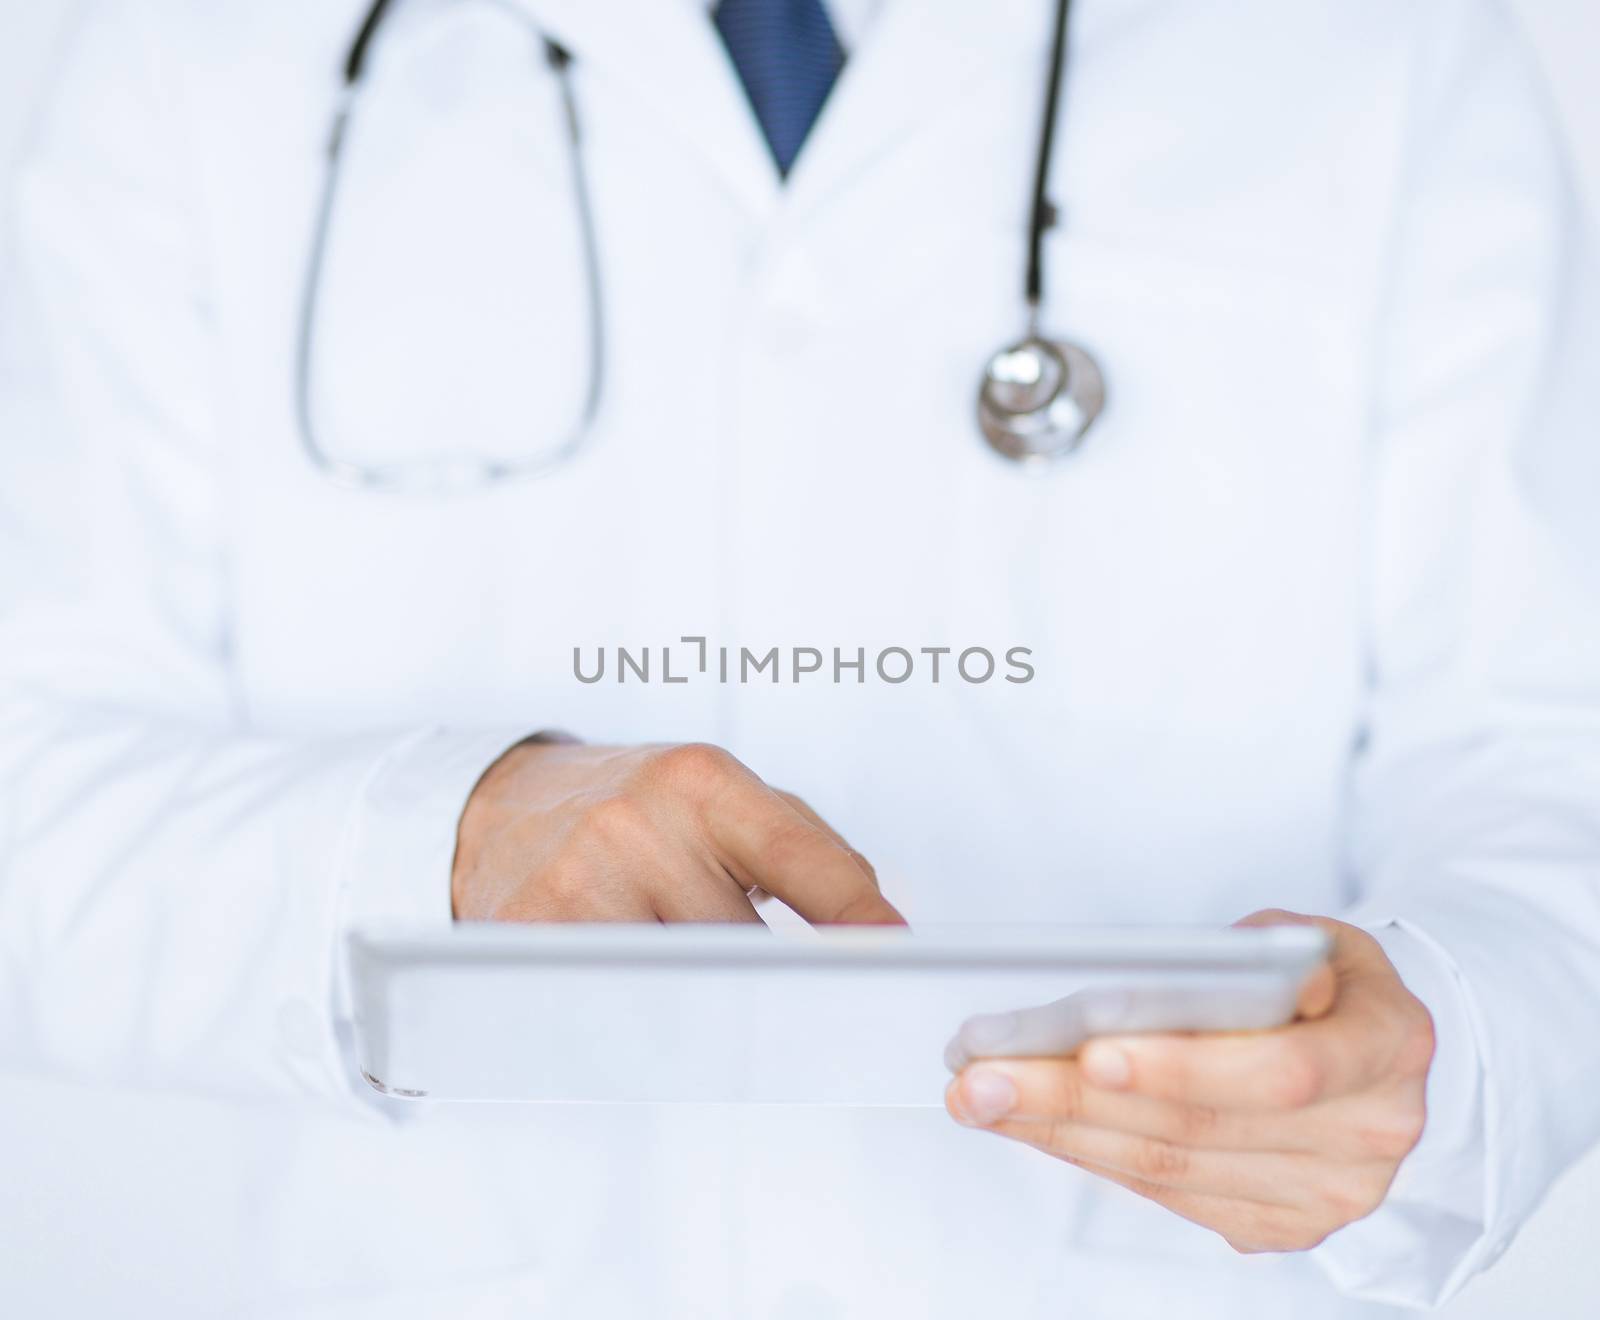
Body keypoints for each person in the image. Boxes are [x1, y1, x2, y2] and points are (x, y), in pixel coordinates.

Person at [2, 0, 1597, 1316]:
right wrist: (445, 842)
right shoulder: (175, 48)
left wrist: (1442, 1051)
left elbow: (1546, 759)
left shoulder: (1394, 45)